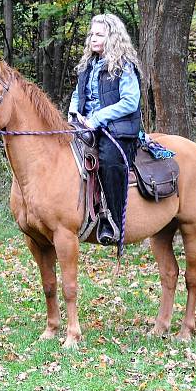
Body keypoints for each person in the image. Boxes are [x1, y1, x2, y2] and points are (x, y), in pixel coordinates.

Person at [68, 13, 141, 245]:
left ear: (112, 37)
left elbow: (130, 101)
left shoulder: (123, 66)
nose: (93, 38)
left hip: (117, 129)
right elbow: (78, 94)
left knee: (109, 161)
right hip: (85, 126)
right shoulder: (87, 65)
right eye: (92, 34)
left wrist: (97, 118)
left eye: (99, 34)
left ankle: (114, 221)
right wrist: (73, 115)